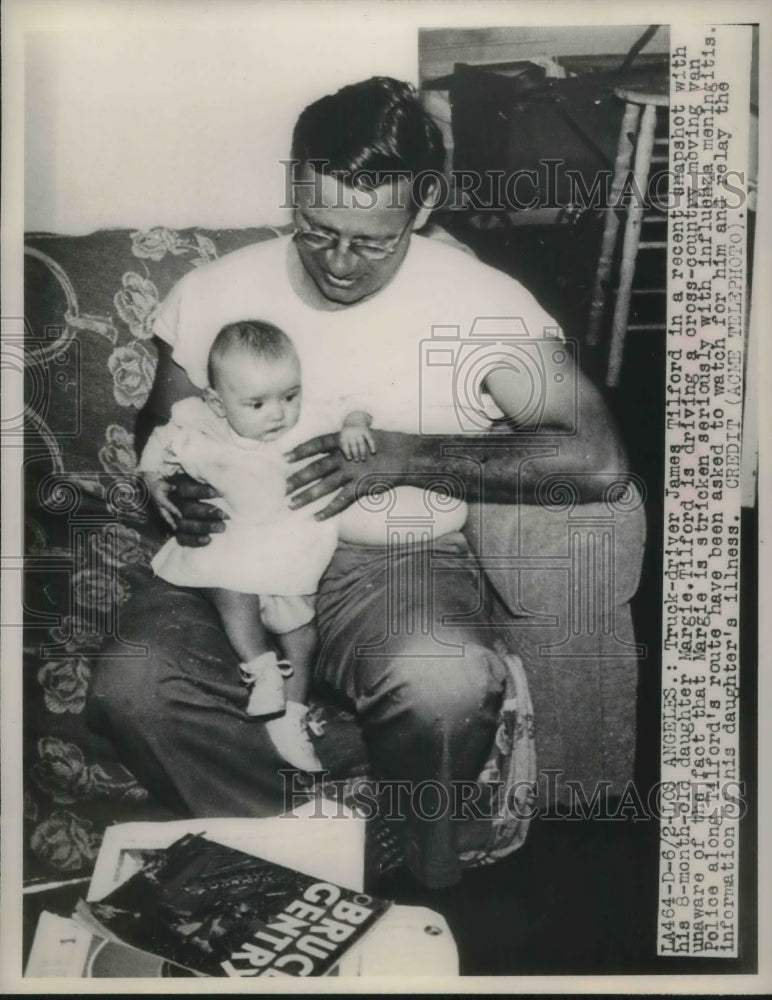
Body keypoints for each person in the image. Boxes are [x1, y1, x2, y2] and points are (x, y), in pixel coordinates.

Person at [88, 76, 628, 889]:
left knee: (444, 681)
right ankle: (305, 849)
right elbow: (163, 426)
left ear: (423, 204)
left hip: (393, 566)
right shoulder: (218, 289)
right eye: (315, 228)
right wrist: (166, 487)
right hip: (233, 565)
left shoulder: (479, 304)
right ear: (294, 186)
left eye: (371, 240)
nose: (338, 262)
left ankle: (424, 860)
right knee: (130, 689)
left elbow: (596, 461)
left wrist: (408, 458)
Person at [138, 317, 468, 772]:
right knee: (232, 591)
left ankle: (292, 714)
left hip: (291, 547)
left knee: (302, 632)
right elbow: (158, 444)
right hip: (230, 541)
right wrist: (155, 482)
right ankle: (260, 667)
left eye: (289, 396)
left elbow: (351, 403)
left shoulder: (306, 419)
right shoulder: (198, 420)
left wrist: (355, 423)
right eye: (256, 403)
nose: (278, 413)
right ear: (217, 401)